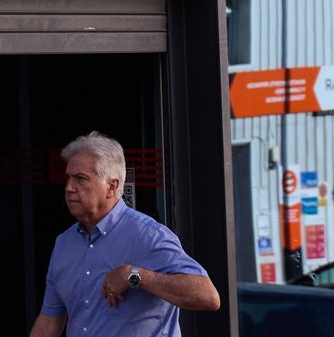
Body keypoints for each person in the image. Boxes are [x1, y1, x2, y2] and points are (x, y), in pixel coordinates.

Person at [30, 131, 220, 337]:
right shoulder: (64, 244)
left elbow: (207, 296)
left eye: (81, 179)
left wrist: (134, 276)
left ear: (112, 186)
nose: (69, 188)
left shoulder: (147, 235)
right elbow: (49, 323)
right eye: (68, 178)